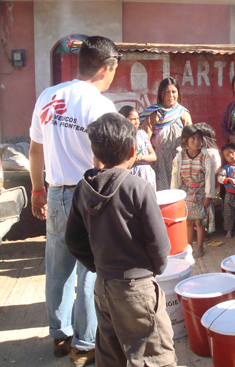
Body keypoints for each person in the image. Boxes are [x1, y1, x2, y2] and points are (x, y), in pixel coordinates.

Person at [28, 36, 120, 367]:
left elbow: (35, 149)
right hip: (88, 195)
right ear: (107, 67)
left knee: (58, 267)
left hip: (54, 193)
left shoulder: (48, 96)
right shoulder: (100, 106)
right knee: (91, 270)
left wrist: (37, 190)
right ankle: (83, 346)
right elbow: (105, 162)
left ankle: (60, 334)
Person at [64, 113, 177, 367]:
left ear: (95, 154)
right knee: (153, 354)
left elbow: (73, 240)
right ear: (133, 151)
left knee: (109, 351)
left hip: (103, 285)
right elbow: (160, 245)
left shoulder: (84, 188)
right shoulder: (138, 188)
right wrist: (155, 270)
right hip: (137, 288)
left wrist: (98, 267)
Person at [140, 77, 192, 191]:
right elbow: (144, 138)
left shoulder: (183, 114)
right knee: (162, 193)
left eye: (173, 92)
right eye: (166, 92)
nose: (170, 95)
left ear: (178, 94)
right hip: (159, 162)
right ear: (161, 94)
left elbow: (191, 139)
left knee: (180, 193)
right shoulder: (154, 113)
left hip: (179, 160)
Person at [171, 125, 215, 258]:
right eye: (193, 139)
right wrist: (175, 194)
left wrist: (208, 195)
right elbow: (175, 175)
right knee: (188, 222)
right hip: (186, 192)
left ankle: (200, 247)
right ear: (185, 140)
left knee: (199, 222)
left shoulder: (205, 157)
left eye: (199, 139)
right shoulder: (179, 157)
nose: (197, 142)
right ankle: (188, 246)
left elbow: (209, 177)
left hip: (200, 193)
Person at [119, 106, 157, 190]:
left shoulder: (142, 134)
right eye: (133, 119)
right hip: (130, 173)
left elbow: (153, 156)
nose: (137, 122)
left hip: (146, 173)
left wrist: (141, 157)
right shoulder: (120, 136)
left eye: (138, 119)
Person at [194, 122, 221, 235]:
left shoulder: (212, 152)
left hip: (207, 186)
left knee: (206, 207)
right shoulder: (193, 151)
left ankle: (205, 230)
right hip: (194, 186)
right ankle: (198, 229)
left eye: (198, 138)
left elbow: (216, 168)